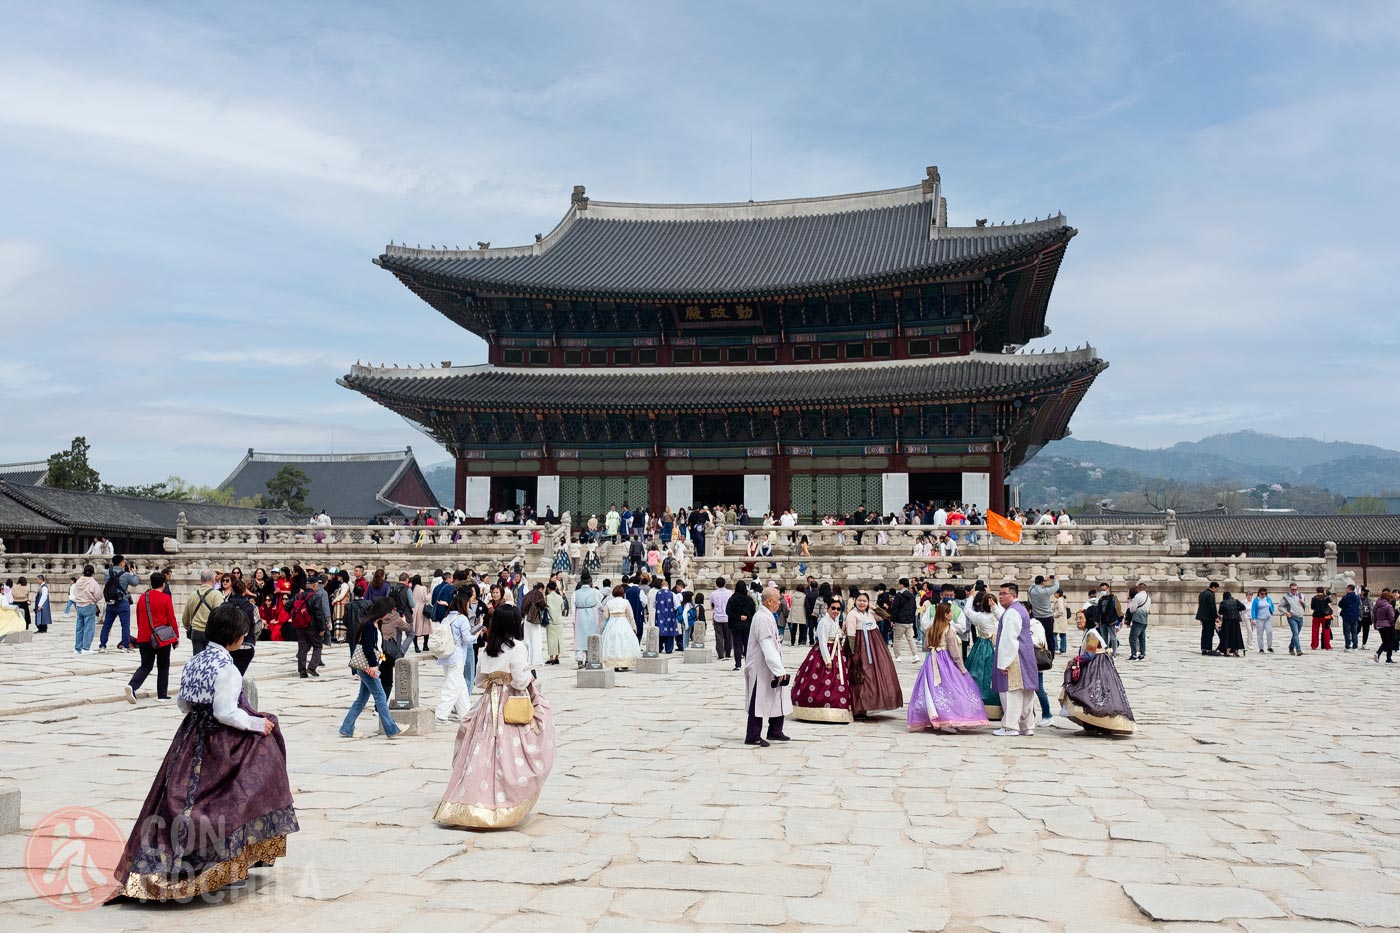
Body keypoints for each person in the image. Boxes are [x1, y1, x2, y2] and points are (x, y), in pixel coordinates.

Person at [110, 604, 297, 900]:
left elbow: (183, 704)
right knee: (233, 799)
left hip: (190, 738)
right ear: (235, 635)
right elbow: (226, 712)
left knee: (184, 800)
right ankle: (225, 867)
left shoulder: (194, 662)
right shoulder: (228, 669)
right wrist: (257, 724)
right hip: (221, 742)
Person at [435, 604, 556, 828]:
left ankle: (471, 801)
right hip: (510, 701)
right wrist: (528, 678)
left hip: (488, 704)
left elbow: (480, 680)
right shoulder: (517, 647)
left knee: (481, 751)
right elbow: (519, 680)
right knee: (509, 752)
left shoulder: (486, 649)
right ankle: (505, 800)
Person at [908, 601, 989, 733]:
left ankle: (935, 716)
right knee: (953, 687)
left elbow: (926, 646)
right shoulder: (949, 629)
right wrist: (961, 667)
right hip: (946, 661)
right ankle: (949, 717)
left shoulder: (932, 628)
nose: (952, 614)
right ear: (945, 615)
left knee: (933, 689)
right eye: (950, 612)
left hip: (932, 660)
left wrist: (936, 647)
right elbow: (955, 652)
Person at [339, 598, 403, 739]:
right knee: (380, 696)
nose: (389, 614)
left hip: (372, 664)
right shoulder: (369, 625)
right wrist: (373, 666)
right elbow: (367, 647)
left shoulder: (375, 623)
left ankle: (347, 727)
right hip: (369, 666)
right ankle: (391, 728)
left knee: (362, 698)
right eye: (389, 611)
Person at [1059, 626, 1136, 735]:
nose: (1077, 620)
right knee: (1100, 697)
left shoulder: (1092, 634)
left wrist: (1075, 660)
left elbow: (1090, 655)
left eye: (1081, 618)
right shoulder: (1091, 632)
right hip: (1101, 666)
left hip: (1095, 667)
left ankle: (1091, 727)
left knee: (1089, 696)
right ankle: (1100, 727)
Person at [743, 587, 793, 746]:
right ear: (769, 601)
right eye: (778, 600)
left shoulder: (768, 615)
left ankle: (775, 730)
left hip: (770, 665)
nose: (780, 603)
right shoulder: (762, 618)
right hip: (760, 667)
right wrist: (779, 669)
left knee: (777, 697)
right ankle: (753, 735)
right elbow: (766, 645)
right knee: (758, 700)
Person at [791, 597, 852, 723]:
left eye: (838, 609)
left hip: (836, 652)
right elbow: (823, 642)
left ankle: (837, 710)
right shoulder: (824, 622)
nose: (836, 611)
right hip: (826, 653)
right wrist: (827, 660)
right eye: (833, 608)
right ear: (828, 608)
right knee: (821, 681)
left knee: (837, 682)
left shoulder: (834, 620)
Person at [843, 591, 903, 718]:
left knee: (875, 674)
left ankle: (871, 702)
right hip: (859, 645)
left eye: (865, 601)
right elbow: (851, 634)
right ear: (855, 601)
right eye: (859, 600)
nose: (862, 603)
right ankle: (858, 707)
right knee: (860, 675)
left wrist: (873, 606)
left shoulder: (870, 613)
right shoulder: (852, 615)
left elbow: (886, 616)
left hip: (874, 645)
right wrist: (853, 652)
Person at [992, 582, 1039, 737]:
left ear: (1013, 595)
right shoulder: (1021, 610)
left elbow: (1009, 639)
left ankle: (1010, 726)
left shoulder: (1012, 612)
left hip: (1015, 657)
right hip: (1027, 655)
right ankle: (1027, 726)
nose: (1000, 596)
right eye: (1000, 593)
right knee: (1026, 692)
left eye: (1003, 593)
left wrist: (1004, 662)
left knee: (1012, 692)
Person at [124, 571, 179, 704]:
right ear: (163, 584)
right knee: (163, 665)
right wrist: (176, 637)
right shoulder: (165, 598)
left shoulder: (143, 597)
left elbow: (138, 616)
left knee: (146, 666)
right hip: (161, 638)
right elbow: (171, 619)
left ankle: (132, 686)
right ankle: (162, 694)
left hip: (144, 637)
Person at [963, 589, 1002, 720]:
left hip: (981, 645)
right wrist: (994, 600)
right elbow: (1001, 614)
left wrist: (971, 597)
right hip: (997, 646)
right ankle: (997, 706)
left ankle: (976, 704)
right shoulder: (998, 616)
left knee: (978, 673)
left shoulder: (979, 616)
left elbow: (967, 611)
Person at [99, 556, 140, 653]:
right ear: (121, 563)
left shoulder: (107, 573)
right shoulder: (126, 575)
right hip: (122, 602)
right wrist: (134, 573)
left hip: (111, 602)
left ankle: (102, 646)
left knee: (107, 625)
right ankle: (125, 646)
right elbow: (135, 583)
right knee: (125, 625)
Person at [600, 584, 641, 671]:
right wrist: (634, 627)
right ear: (623, 593)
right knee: (624, 642)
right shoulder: (626, 602)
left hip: (612, 623)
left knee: (613, 643)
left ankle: (614, 663)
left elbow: (605, 615)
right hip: (623, 622)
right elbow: (631, 616)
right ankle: (624, 663)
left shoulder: (609, 602)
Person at [224, 578, 259, 674]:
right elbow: (257, 626)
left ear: (232, 590)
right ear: (244, 591)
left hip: (228, 646)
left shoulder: (224, 606)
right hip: (246, 646)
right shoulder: (252, 607)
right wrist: (252, 637)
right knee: (239, 674)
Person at [572, 573, 602, 669]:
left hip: (580, 615)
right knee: (591, 636)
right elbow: (600, 603)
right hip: (592, 615)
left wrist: (574, 619)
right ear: (590, 581)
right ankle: (589, 658)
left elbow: (573, 608)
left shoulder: (575, 593)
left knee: (580, 637)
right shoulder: (595, 592)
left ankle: (580, 660)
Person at [726, 580, 756, 672]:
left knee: (737, 645)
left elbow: (728, 611)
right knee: (747, 645)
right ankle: (749, 663)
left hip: (736, 625)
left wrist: (738, 617)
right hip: (747, 625)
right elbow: (753, 612)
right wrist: (747, 618)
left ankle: (738, 665)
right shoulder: (749, 600)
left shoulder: (732, 599)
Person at [889, 578, 918, 662]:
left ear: (901, 584)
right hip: (909, 621)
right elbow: (913, 608)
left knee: (897, 639)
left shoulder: (899, 595)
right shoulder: (912, 595)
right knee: (910, 639)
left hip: (900, 620)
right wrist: (911, 619)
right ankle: (915, 655)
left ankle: (898, 656)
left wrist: (892, 620)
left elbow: (895, 608)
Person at [1126, 584, 1152, 661]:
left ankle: (1134, 654)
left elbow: (1133, 608)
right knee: (1142, 637)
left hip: (1137, 618)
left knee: (1132, 638)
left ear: (1138, 588)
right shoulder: (1148, 597)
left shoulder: (1137, 596)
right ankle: (1142, 653)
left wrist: (1130, 612)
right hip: (1145, 619)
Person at [710, 577, 733, 663]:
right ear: (725, 583)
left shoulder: (713, 594)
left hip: (717, 617)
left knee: (719, 636)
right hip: (727, 617)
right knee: (728, 636)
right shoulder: (729, 593)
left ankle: (720, 653)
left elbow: (712, 605)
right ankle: (728, 652)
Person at [1281, 582, 1308, 656]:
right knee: (1295, 633)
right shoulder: (1286, 597)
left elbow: (1306, 605)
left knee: (1296, 634)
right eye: (1293, 589)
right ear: (1290, 589)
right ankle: (1298, 650)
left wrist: (1303, 602)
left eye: (1295, 589)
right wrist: (1286, 612)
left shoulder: (1301, 595)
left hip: (1300, 616)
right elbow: (1280, 606)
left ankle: (1291, 647)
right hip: (1292, 617)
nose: (1294, 591)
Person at [654, 580, 680, 653]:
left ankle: (659, 648)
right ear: (668, 586)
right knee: (669, 631)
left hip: (660, 616)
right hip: (670, 616)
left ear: (661, 586)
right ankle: (668, 649)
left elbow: (654, 605)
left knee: (660, 630)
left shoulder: (657, 594)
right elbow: (677, 605)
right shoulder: (672, 594)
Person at [1195, 581, 1220, 656]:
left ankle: (1203, 648)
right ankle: (1208, 648)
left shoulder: (1202, 593)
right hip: (1209, 617)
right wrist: (1216, 617)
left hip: (1202, 616)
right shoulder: (1211, 595)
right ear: (1213, 587)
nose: (1217, 591)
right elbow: (1212, 607)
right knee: (1209, 633)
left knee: (1204, 632)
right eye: (1216, 589)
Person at [1249, 587, 1275, 655]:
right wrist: (1253, 619)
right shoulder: (1256, 600)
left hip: (1267, 618)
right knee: (1260, 633)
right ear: (1259, 593)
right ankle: (1261, 648)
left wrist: (1272, 611)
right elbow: (1253, 609)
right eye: (1262, 594)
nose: (1264, 595)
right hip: (1259, 619)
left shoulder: (1268, 599)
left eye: (1265, 594)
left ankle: (1269, 646)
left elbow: (1271, 605)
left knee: (1269, 631)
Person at [1373, 589, 1396, 663]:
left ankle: (1386, 657)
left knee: (1385, 641)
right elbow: (1391, 617)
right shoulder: (1388, 606)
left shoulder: (1377, 605)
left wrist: (1375, 624)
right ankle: (1382, 655)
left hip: (1379, 625)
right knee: (1388, 642)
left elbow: (1374, 616)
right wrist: (1393, 625)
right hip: (1387, 625)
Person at [545, 580, 565, 664]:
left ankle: (551, 657)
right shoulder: (560, 597)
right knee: (558, 639)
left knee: (551, 640)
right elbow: (562, 608)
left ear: (548, 588)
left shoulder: (547, 597)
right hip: (559, 620)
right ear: (556, 588)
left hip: (550, 621)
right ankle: (557, 657)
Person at [410, 574, 431, 653]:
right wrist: (430, 594)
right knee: (426, 628)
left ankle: (416, 646)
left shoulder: (412, 588)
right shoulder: (423, 588)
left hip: (415, 609)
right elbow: (425, 599)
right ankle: (425, 645)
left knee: (415, 628)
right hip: (422, 608)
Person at [1339, 584, 1362, 651]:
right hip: (1355, 616)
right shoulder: (1357, 597)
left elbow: (1340, 604)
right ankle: (1355, 646)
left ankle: (1347, 646)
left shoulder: (1345, 597)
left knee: (1347, 632)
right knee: (1354, 632)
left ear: (1349, 589)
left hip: (1346, 616)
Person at [1310, 587, 1333, 651]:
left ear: (1316, 591)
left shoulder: (1314, 598)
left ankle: (1314, 646)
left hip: (1316, 616)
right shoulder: (1327, 598)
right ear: (1323, 591)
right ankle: (1327, 646)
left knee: (1314, 631)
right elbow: (1330, 606)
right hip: (1325, 616)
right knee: (1326, 631)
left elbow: (1312, 607)